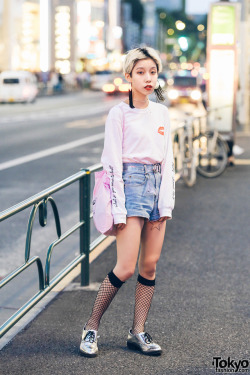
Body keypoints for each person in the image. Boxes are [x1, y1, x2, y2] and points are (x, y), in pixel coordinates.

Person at [79, 47, 175, 357]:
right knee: (124, 267)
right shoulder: (118, 113)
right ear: (128, 76)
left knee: (149, 265)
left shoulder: (162, 112)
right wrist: (119, 208)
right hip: (129, 187)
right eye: (141, 72)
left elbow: (168, 161)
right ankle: (91, 327)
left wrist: (166, 204)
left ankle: (138, 332)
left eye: (152, 72)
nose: (148, 78)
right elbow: (112, 164)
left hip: (157, 188)